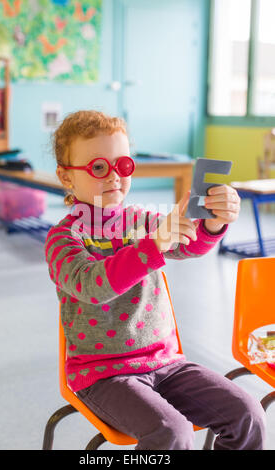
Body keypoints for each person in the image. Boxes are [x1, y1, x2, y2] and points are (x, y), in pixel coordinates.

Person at [45, 110, 266, 450]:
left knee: (247, 413)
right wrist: (154, 244)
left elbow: (188, 244)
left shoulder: (140, 221)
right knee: (171, 433)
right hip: (104, 375)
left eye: (123, 165)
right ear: (66, 176)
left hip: (166, 362)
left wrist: (212, 223)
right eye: (99, 167)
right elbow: (92, 285)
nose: (114, 177)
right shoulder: (63, 238)